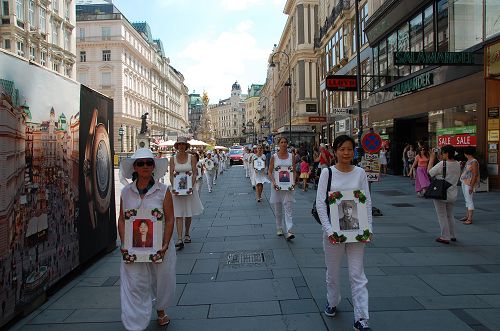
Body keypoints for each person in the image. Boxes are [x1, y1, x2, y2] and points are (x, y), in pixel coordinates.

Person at [315, 135, 372, 331]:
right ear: (335, 151)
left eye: (349, 149)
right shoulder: (327, 173)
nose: (346, 153)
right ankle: (333, 300)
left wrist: (368, 229)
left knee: (358, 274)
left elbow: (367, 202)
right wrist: (329, 230)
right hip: (333, 233)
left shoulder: (360, 173)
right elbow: (320, 204)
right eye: (342, 149)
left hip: (356, 232)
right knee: (333, 273)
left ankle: (361, 318)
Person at [118, 148, 176, 329]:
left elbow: (170, 218)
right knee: (134, 281)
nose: (145, 166)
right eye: (140, 163)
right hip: (133, 247)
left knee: (161, 279)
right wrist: (124, 243)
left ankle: (160, 310)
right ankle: (135, 321)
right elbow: (122, 219)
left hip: (159, 245)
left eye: (148, 163)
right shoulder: (126, 192)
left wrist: (165, 244)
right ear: (134, 167)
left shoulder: (163, 190)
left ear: (153, 167)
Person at [170, 137, 204, 249]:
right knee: (178, 213)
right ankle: (179, 238)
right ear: (177, 146)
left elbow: (194, 172)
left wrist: (192, 185)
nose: (181, 146)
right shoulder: (172, 159)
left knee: (188, 212)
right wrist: (173, 185)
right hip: (177, 188)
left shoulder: (192, 157)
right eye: (179, 144)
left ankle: (187, 233)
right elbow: (171, 174)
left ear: (186, 146)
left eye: (183, 144)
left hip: (189, 187)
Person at [428, 144, 461, 244]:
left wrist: (431, 159)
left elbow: (429, 172)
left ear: (446, 153)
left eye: (442, 153)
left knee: (442, 215)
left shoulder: (442, 164)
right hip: (452, 193)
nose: (441, 154)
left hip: (441, 193)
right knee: (450, 215)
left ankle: (445, 237)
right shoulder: (457, 164)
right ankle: (452, 235)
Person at [268, 137, 296, 240]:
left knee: (288, 207)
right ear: (278, 144)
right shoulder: (274, 157)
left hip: (288, 185)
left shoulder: (291, 156)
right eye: (282, 142)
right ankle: (279, 227)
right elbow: (270, 172)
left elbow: (294, 170)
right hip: (277, 186)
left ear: (287, 144)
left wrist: (294, 182)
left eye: (285, 142)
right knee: (278, 208)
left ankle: (289, 230)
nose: (283, 144)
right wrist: (274, 182)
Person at [459, 146, 479, 225]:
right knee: (467, 199)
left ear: (466, 153)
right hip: (464, 182)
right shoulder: (468, 161)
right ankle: (467, 216)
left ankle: (470, 218)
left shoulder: (474, 162)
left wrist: (471, 186)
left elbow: (475, 174)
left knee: (469, 200)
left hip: (469, 183)